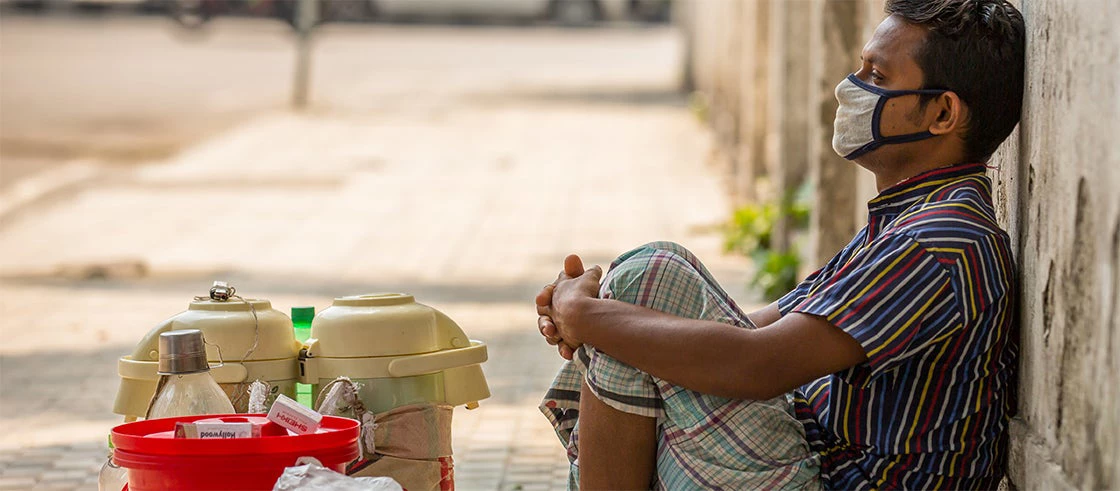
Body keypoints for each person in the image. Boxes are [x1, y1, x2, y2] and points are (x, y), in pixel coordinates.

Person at [536, 0, 1025, 489]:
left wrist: (585, 317)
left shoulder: (940, 241)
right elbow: (752, 325)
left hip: (839, 480)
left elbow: (758, 363)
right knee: (640, 305)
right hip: (815, 456)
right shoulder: (908, 218)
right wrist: (603, 320)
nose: (848, 88)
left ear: (942, 113)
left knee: (649, 279)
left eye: (876, 78)